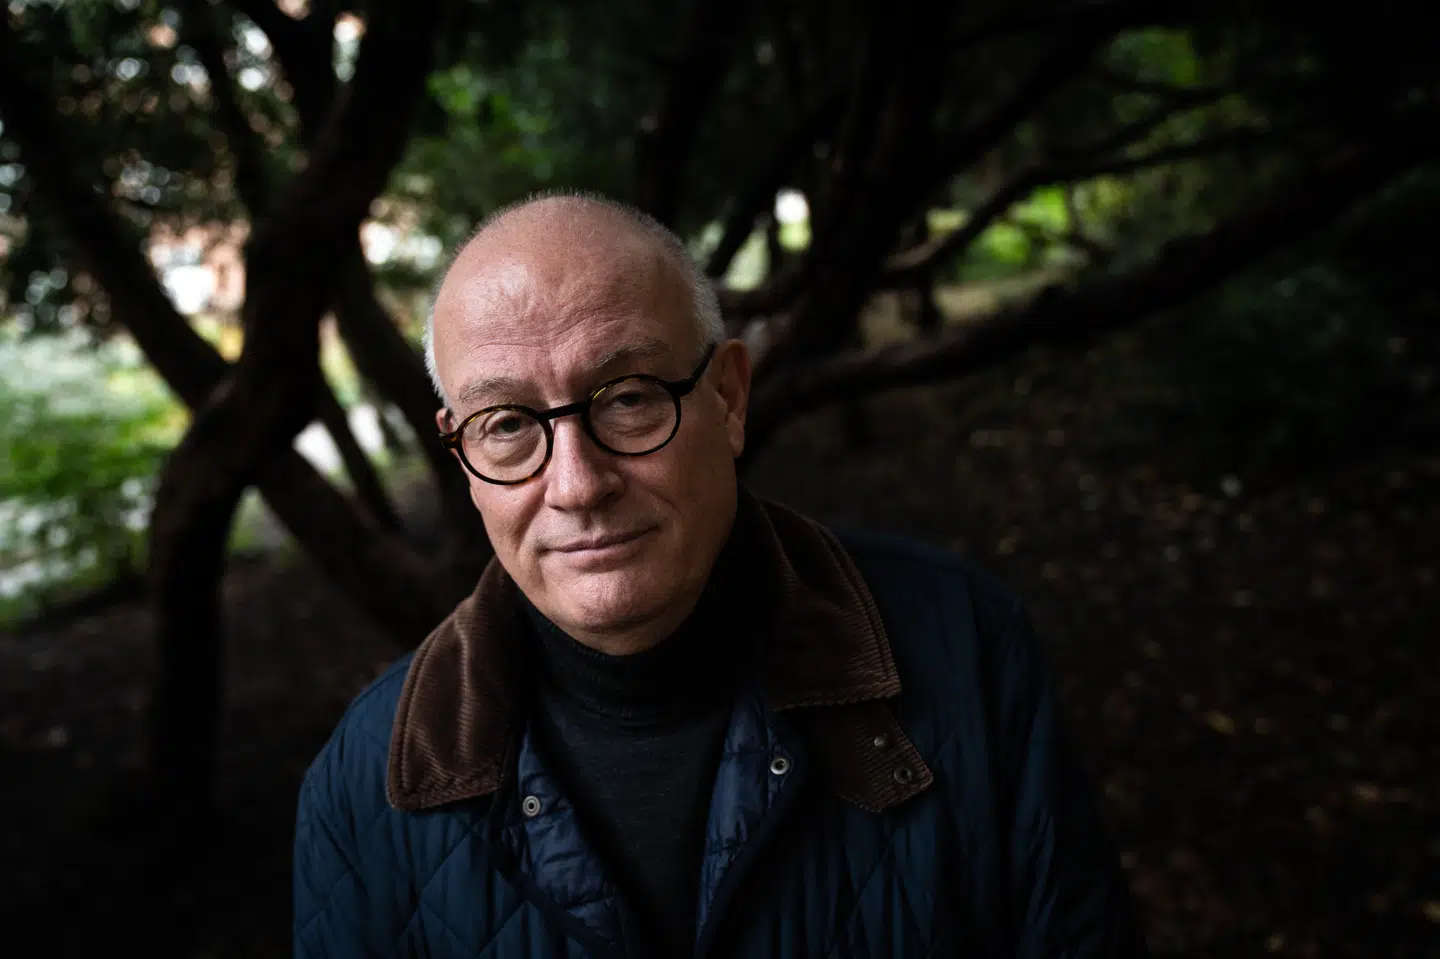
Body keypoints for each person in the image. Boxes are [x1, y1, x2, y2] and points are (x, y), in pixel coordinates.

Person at [293, 193, 1146, 958]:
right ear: (462, 453)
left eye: (628, 397)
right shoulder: (361, 786)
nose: (578, 484)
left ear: (730, 398)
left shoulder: (964, 648)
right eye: (508, 423)